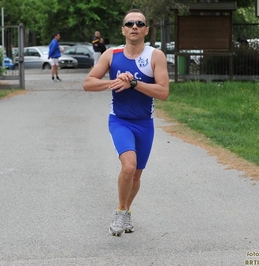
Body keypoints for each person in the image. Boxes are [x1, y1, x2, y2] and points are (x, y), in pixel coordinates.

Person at [83, 9, 169, 237]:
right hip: (120, 121)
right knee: (128, 166)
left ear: (146, 30)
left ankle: (127, 210)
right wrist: (114, 82)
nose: (134, 27)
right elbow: (89, 83)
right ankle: (120, 211)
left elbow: (163, 92)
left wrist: (134, 84)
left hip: (144, 123)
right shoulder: (111, 54)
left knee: (137, 174)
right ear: (123, 29)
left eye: (139, 23)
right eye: (129, 23)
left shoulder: (155, 56)